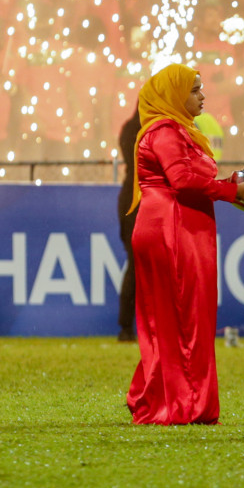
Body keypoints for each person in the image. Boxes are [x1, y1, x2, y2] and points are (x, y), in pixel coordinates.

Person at [126, 65, 244, 425]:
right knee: (183, 315)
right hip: (172, 227)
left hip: (178, 224)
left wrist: (237, 183)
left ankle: (154, 395)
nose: (202, 96)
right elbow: (182, 181)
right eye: (194, 90)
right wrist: (233, 191)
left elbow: (193, 179)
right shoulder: (164, 131)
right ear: (174, 95)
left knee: (175, 317)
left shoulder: (178, 131)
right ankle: (182, 403)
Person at [115, 109, 142, 343]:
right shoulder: (154, 130)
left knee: (134, 265)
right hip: (142, 200)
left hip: (128, 199)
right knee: (141, 266)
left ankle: (126, 327)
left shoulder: (128, 129)